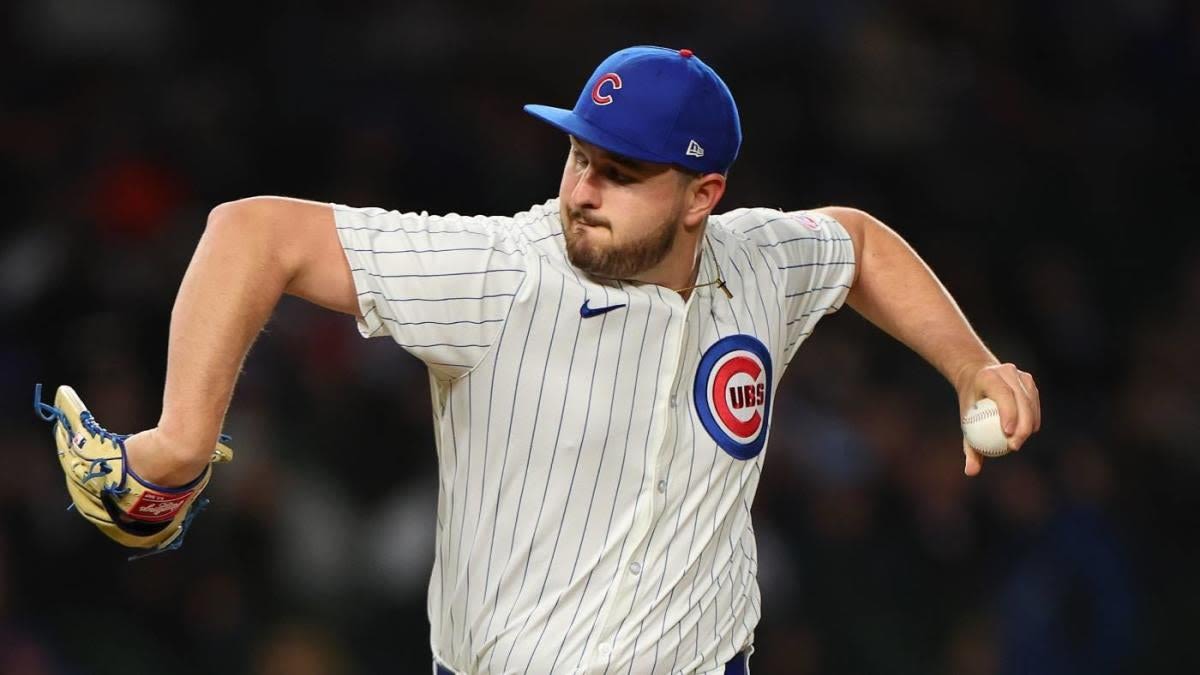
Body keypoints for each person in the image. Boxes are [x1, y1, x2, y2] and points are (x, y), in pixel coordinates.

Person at [53, 45, 1041, 674]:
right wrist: (184, 436)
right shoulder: (505, 272)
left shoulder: (758, 263)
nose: (583, 189)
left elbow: (858, 242)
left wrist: (970, 367)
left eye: (622, 172)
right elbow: (251, 233)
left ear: (703, 196)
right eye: (580, 155)